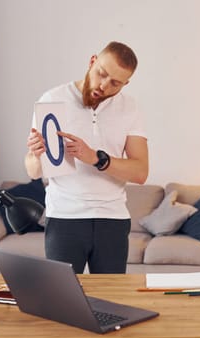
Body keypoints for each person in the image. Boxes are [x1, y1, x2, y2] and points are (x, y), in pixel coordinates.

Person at [25, 41, 148, 274]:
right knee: (61, 302)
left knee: (112, 299)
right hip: (64, 217)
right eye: (101, 74)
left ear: (126, 84)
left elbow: (140, 172)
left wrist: (95, 158)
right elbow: (33, 171)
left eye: (115, 83)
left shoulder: (130, 107)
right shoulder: (53, 98)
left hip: (112, 219)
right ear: (92, 62)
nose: (104, 86)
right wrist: (34, 154)